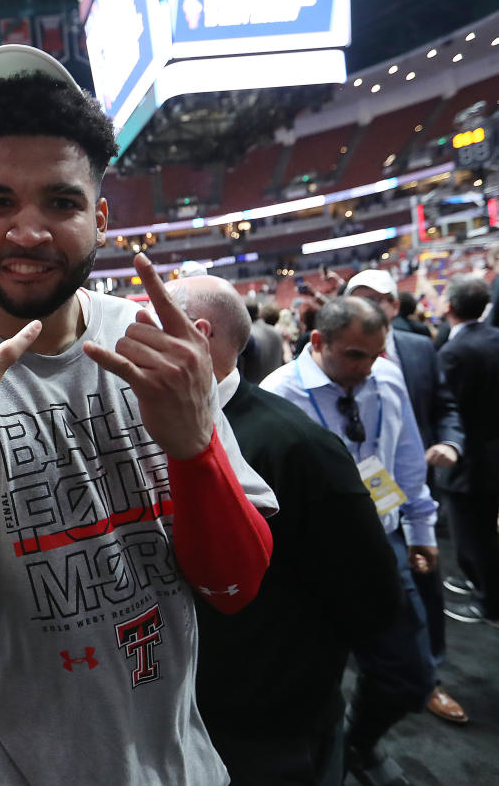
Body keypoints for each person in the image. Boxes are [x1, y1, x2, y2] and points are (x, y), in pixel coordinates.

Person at [0, 45, 276, 785]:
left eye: (60, 201)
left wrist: (194, 449)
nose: (27, 232)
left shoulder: (158, 352)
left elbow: (236, 590)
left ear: (101, 217)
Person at [170, 275, 401, 786]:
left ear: (196, 333)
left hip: (269, 725)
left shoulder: (299, 447)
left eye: (152, 321)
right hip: (175, 715)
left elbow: (374, 598)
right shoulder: (141, 427)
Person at [261, 296, 438, 786]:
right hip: (309, 567)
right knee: (311, 686)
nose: (368, 366)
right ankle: (332, 756)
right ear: (318, 342)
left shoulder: (387, 380)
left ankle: (359, 742)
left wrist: (421, 528)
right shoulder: (278, 393)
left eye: (376, 353)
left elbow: (405, 459)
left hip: (383, 548)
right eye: (355, 355)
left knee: (410, 676)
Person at [344, 268, 466, 724]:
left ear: (397, 306)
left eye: (379, 298)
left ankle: (430, 675)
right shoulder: (323, 351)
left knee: (425, 587)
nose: (371, 305)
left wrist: (451, 444)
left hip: (410, 493)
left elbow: (445, 406)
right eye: (360, 297)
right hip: (354, 500)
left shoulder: (418, 348)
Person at [435, 276, 499, 627]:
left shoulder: (454, 352)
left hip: (468, 460)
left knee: (473, 537)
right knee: (486, 531)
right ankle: (479, 582)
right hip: (491, 454)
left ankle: (489, 602)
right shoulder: (495, 337)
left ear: (449, 308)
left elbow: (448, 409)